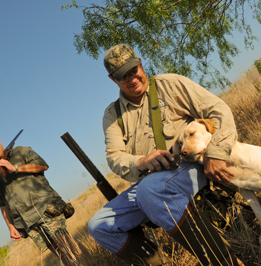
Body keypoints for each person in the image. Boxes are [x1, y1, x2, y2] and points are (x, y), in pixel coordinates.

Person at [88, 43, 244, 266]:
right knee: (99, 226)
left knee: (150, 189)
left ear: (140, 64)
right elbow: (114, 157)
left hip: (191, 164)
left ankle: (223, 261)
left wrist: (217, 154)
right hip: (150, 182)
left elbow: (218, 110)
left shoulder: (170, 84)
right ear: (113, 80)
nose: (132, 79)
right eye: (124, 76)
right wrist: (141, 161)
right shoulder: (113, 115)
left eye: (134, 71)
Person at [0, 132, 80, 266]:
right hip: (27, 222)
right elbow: (2, 204)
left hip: (44, 210)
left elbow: (43, 166)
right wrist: (10, 227)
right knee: (62, 256)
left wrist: (14, 168)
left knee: (71, 250)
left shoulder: (21, 151)